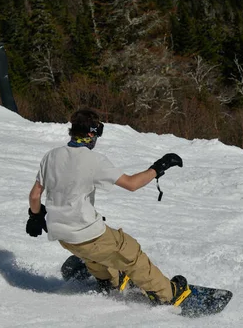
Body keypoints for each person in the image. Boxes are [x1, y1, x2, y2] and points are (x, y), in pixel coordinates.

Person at [26, 109, 190, 306]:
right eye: (97, 134)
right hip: (87, 233)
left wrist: (35, 217)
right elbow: (131, 184)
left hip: (62, 235)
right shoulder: (93, 160)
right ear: (90, 133)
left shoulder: (51, 156)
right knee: (129, 252)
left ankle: (109, 280)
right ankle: (168, 295)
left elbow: (35, 195)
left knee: (92, 253)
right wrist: (158, 167)